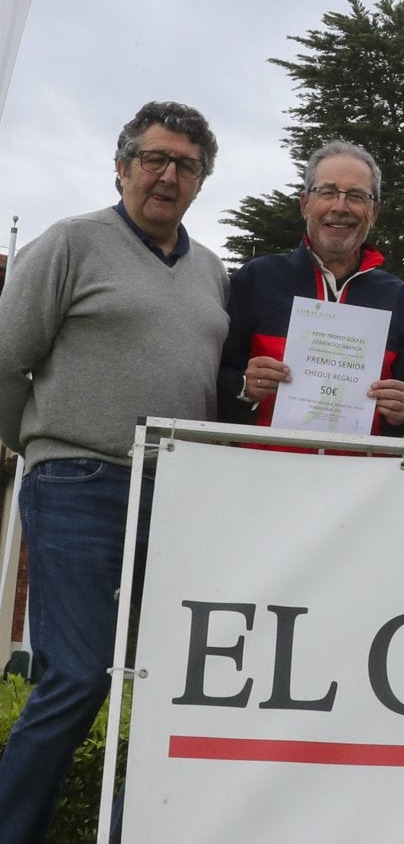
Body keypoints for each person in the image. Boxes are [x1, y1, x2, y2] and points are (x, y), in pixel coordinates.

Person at [0, 101, 228, 842]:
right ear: (122, 164)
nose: (167, 175)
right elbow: (6, 361)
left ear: (201, 182)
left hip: (177, 494)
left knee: (178, 682)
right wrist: (43, 444)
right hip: (76, 484)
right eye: (153, 158)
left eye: (185, 165)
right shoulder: (70, 243)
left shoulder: (212, 272)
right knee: (75, 674)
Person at [218, 141, 404, 437]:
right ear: (305, 204)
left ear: (375, 211)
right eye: (327, 192)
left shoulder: (399, 299)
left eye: (356, 196)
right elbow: (210, 382)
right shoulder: (257, 279)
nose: (340, 207)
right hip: (262, 473)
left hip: (363, 479)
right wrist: (243, 387)